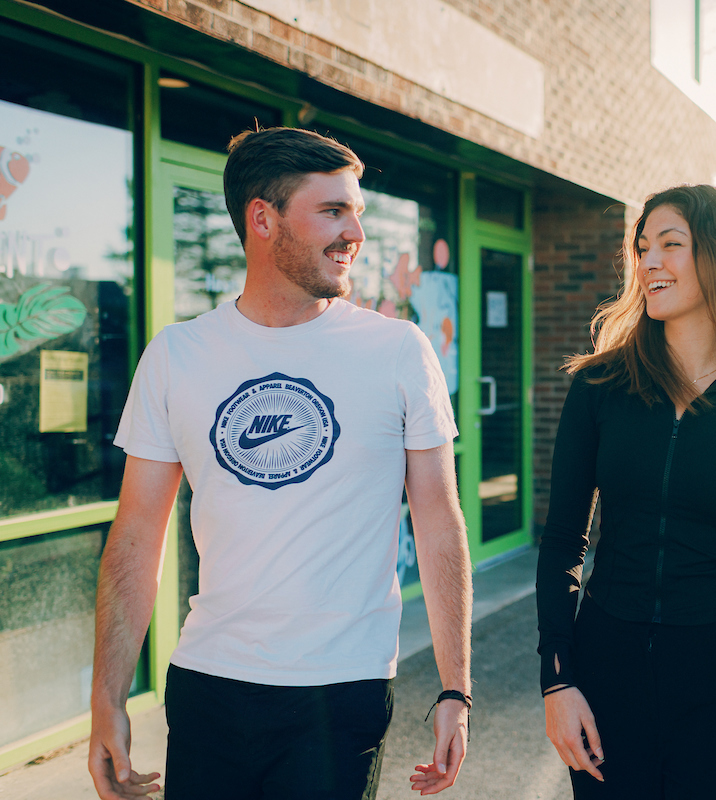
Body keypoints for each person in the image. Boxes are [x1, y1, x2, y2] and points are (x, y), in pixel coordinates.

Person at [87, 127, 472, 800]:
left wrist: (455, 688)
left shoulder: (399, 350)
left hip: (340, 689)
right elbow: (137, 535)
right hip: (209, 682)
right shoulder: (178, 354)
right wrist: (107, 700)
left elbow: (439, 521)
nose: (355, 231)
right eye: (332, 211)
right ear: (262, 219)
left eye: (356, 211)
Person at [536, 184, 716, 800]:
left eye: (671, 245)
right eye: (642, 248)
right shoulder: (600, 387)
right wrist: (557, 680)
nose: (648, 263)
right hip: (604, 677)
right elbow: (563, 539)